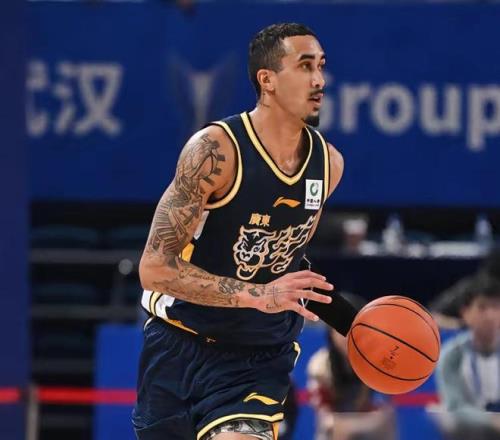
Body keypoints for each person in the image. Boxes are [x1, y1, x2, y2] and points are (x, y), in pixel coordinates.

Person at [132, 23, 344, 440]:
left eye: (321, 66)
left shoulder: (328, 165)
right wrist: (257, 294)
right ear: (267, 79)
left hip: (257, 358)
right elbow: (154, 269)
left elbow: (285, 261)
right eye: (305, 66)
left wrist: (354, 322)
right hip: (177, 344)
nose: (319, 79)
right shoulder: (215, 151)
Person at [435, 272, 500, 438]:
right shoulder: (451, 356)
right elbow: (455, 406)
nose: (490, 316)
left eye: (496, 307)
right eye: (482, 307)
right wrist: (492, 421)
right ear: (465, 313)